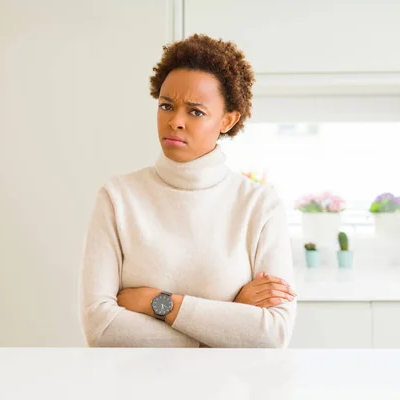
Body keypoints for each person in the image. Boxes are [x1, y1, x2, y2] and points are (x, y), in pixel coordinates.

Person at [80, 34, 297, 348]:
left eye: (195, 112)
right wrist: (231, 320)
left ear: (227, 120)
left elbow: (273, 333)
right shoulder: (118, 197)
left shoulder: (259, 205)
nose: (175, 122)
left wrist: (156, 302)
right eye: (166, 106)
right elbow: (99, 327)